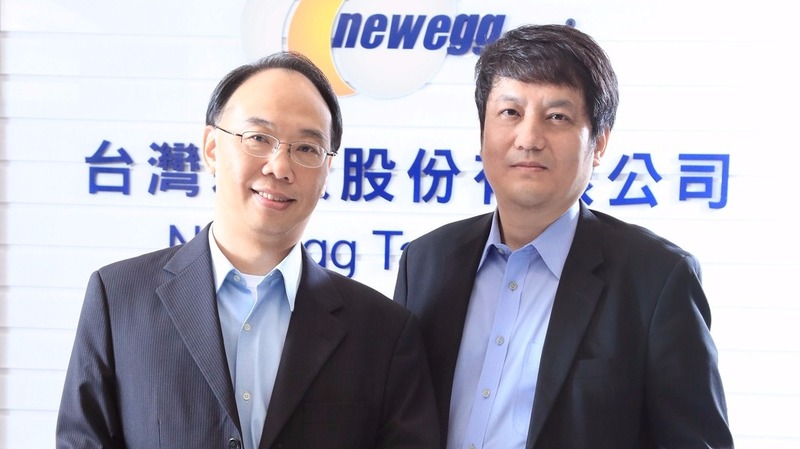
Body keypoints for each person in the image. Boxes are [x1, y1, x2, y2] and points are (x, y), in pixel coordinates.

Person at [57, 51, 439, 449]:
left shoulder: (383, 332)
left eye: (307, 149)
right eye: (258, 138)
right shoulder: (118, 298)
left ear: (328, 170)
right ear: (211, 148)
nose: (279, 167)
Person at [393, 24, 733, 449]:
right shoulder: (426, 261)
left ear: (599, 143)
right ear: (482, 133)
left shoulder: (657, 279)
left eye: (557, 117)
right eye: (510, 113)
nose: (529, 139)